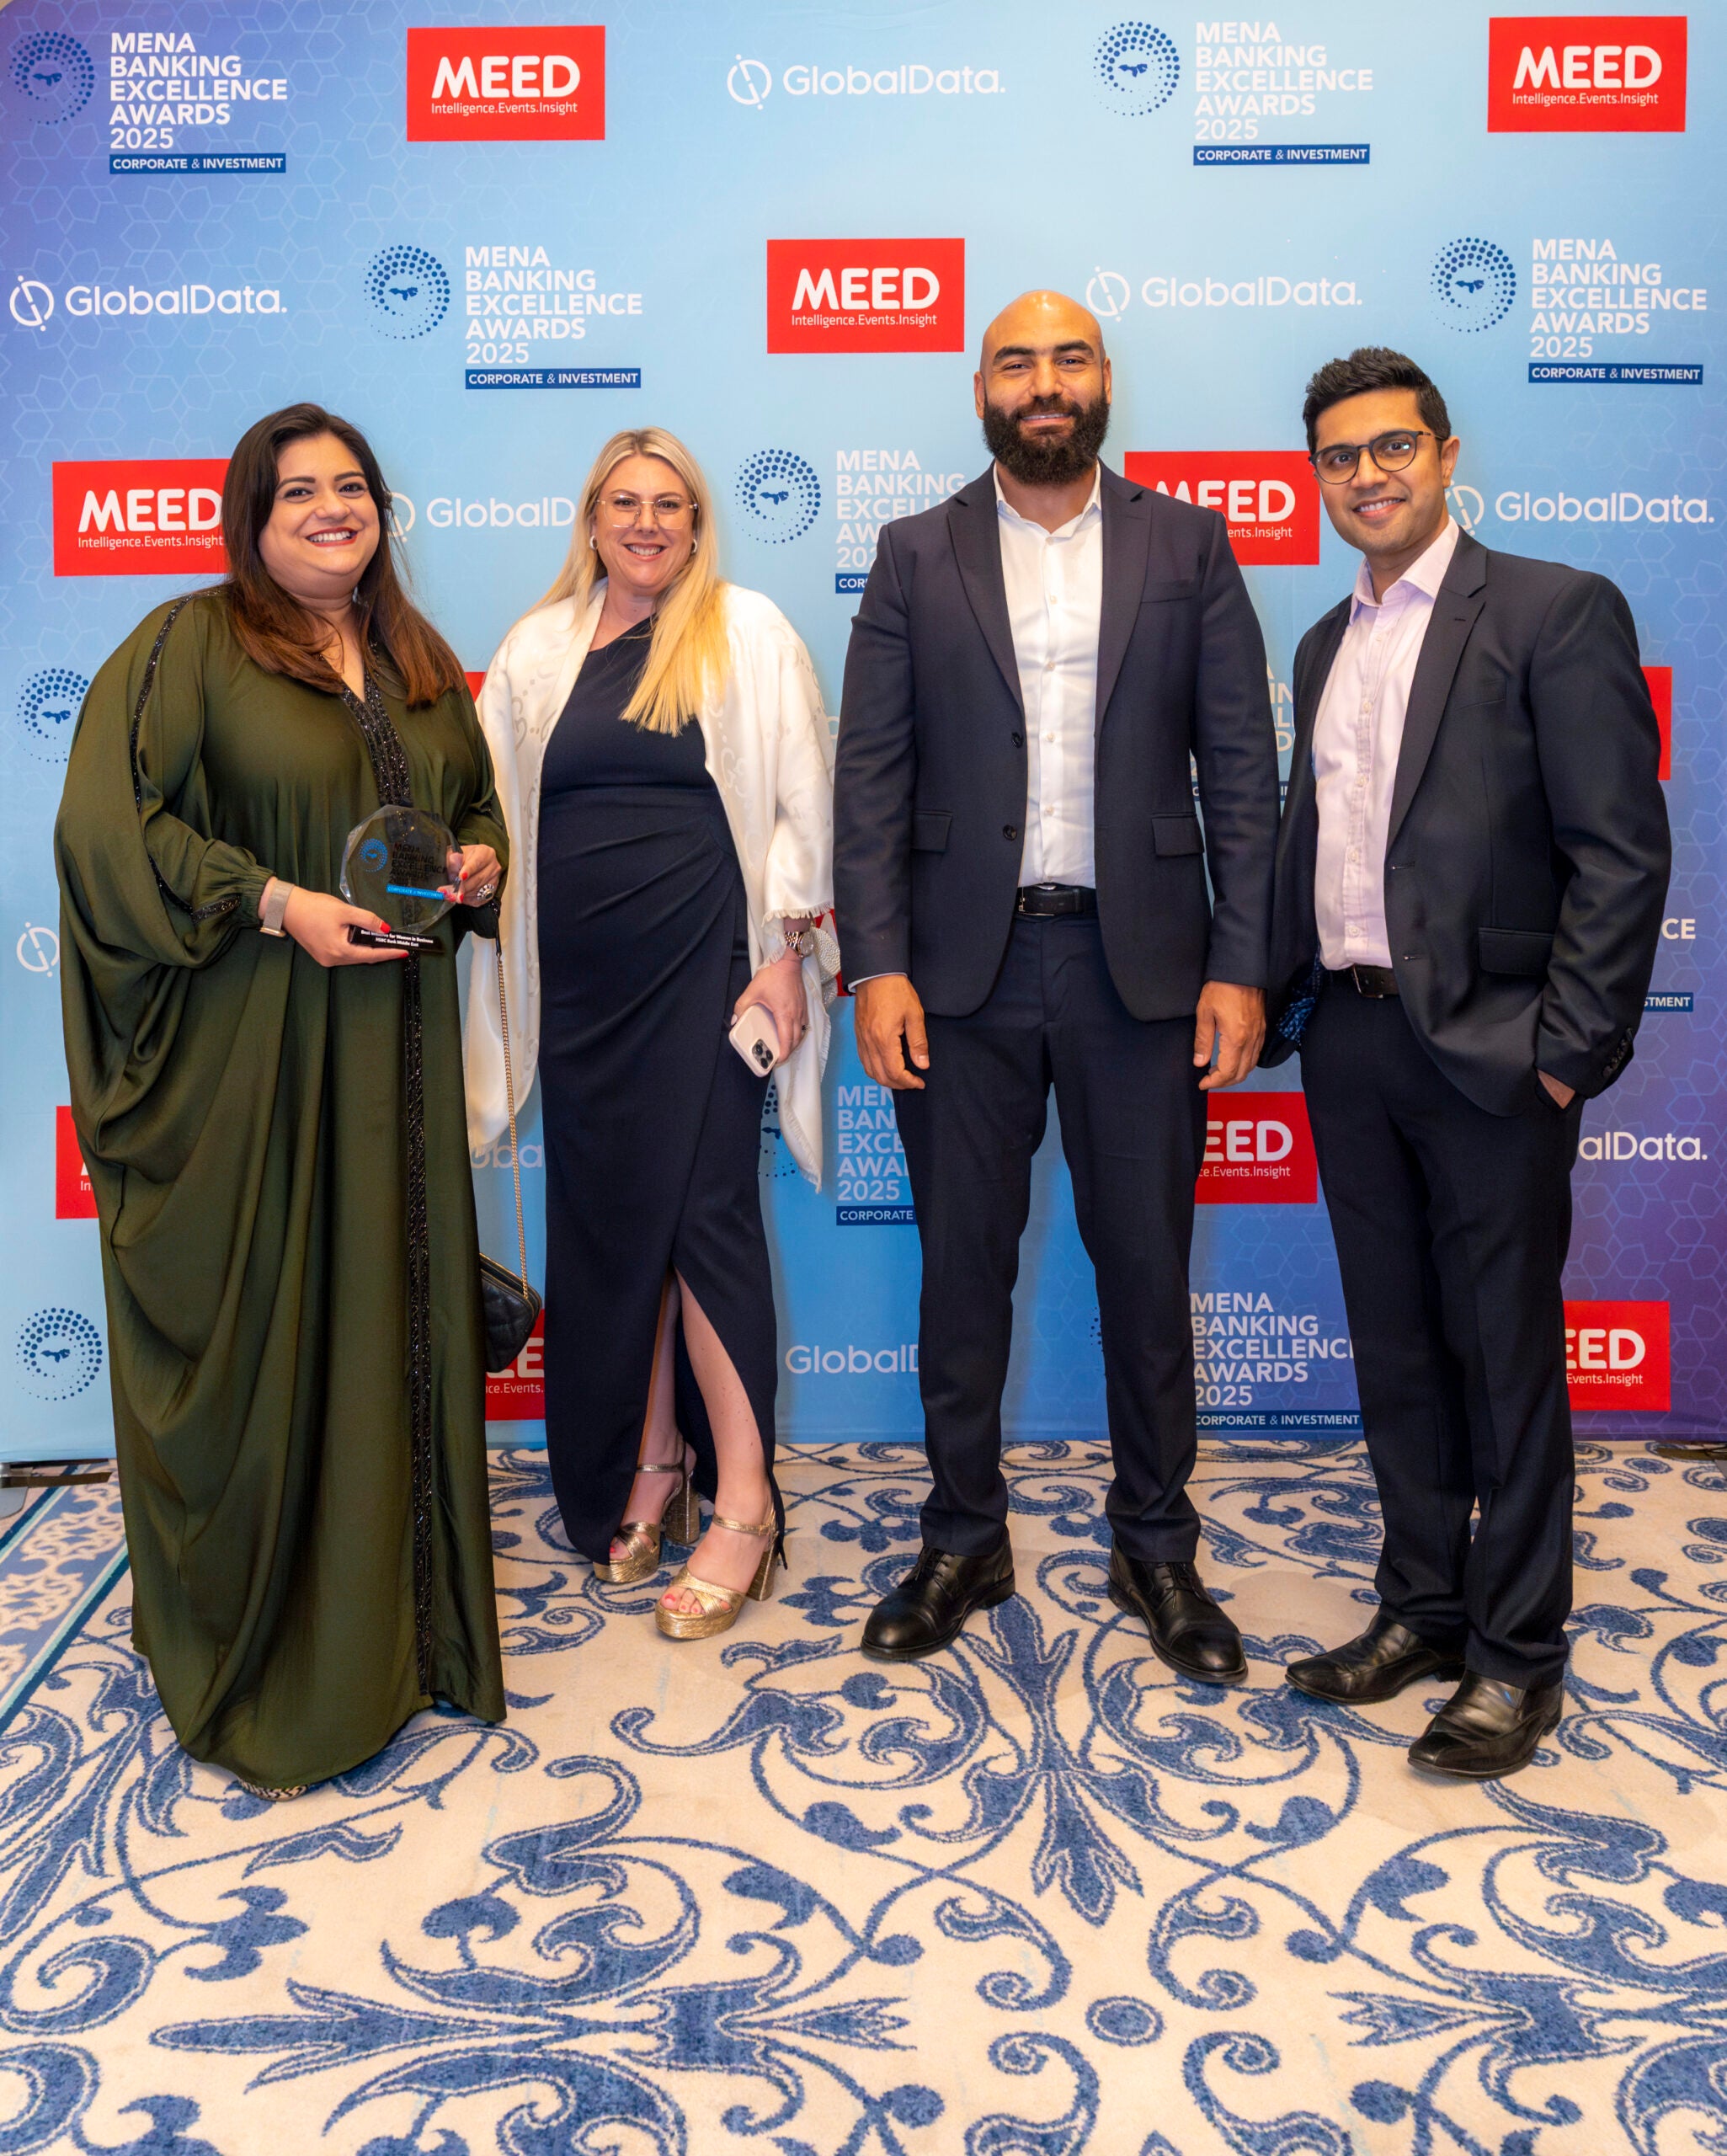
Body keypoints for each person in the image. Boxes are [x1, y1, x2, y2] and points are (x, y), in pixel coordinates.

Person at [56, 403, 508, 1797]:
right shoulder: (191, 644)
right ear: (251, 517)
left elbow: (473, 806)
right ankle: (283, 1662)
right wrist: (268, 900)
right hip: (263, 1059)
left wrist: (479, 862)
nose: (332, 508)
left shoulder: (418, 660)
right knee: (282, 1330)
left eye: (352, 485)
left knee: (393, 1323)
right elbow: (112, 826)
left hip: (400, 1063)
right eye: (298, 489)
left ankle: (410, 1641)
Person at [834, 290, 1280, 1675]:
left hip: (1141, 975)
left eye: (1068, 358)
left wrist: (1242, 964)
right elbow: (871, 778)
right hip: (957, 978)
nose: (1044, 382)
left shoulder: (1188, 544)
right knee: (962, 1275)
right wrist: (877, 964)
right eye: (1017, 361)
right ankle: (962, 1536)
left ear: (1105, 381)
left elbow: (1241, 774)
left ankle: (1157, 1547)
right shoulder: (914, 552)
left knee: (1145, 1273)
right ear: (980, 389)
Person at [1263, 347, 1671, 1779]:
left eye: (1393, 447)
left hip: (1496, 1054)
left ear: (1444, 455)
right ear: (1318, 480)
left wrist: (1566, 1055)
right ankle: (1424, 1608)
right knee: (1396, 1348)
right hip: (1353, 1039)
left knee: (1504, 1361)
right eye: (1339, 457)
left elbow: (1619, 851)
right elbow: (1315, 841)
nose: (1366, 475)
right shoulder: (1323, 644)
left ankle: (1516, 1655)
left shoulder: (1554, 610)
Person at [465, 427, 837, 1641]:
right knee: (620, 1235)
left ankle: (747, 1498)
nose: (645, 523)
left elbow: (802, 801)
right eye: (623, 502)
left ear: (696, 523)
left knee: (704, 1226)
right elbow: (494, 815)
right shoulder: (536, 649)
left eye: (669, 504)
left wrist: (787, 954)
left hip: (707, 979)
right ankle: (655, 1460)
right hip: (580, 996)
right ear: (591, 518)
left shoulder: (747, 632)